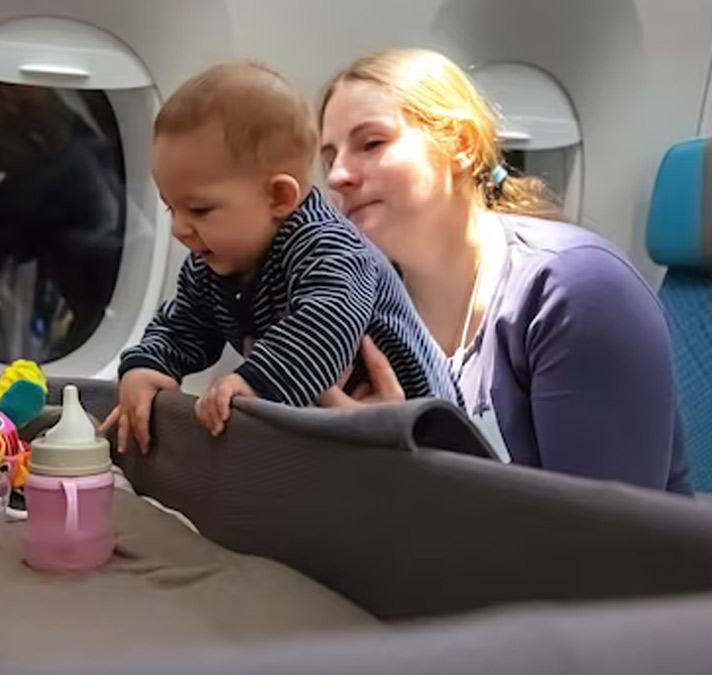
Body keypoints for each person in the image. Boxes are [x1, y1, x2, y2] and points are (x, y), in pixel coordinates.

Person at [316, 48, 692, 495]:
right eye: (329, 157)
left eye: (371, 143)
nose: (337, 176)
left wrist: (399, 459)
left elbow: (605, 547)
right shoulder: (363, 312)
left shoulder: (575, 293)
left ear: (461, 145)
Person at [101, 60, 460, 454]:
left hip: (432, 439)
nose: (178, 229)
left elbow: (325, 321)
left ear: (278, 198)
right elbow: (183, 324)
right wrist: (146, 365)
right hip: (352, 428)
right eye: (172, 209)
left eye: (199, 210)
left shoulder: (331, 248)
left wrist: (255, 380)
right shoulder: (213, 265)